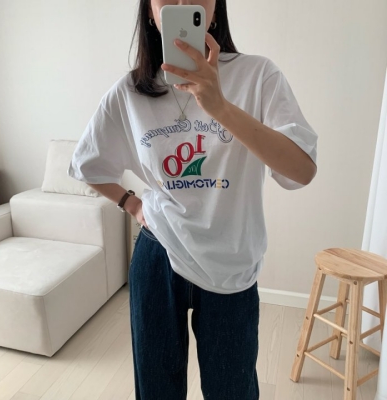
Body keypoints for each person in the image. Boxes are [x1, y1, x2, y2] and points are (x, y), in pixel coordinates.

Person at [68, 0, 318, 399]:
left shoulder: (258, 76)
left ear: (215, 9)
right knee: (157, 391)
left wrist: (220, 106)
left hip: (232, 263)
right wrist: (132, 203)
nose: (183, 2)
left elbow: (301, 170)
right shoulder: (131, 91)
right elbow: (87, 164)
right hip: (158, 255)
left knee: (232, 390)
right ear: (150, 12)